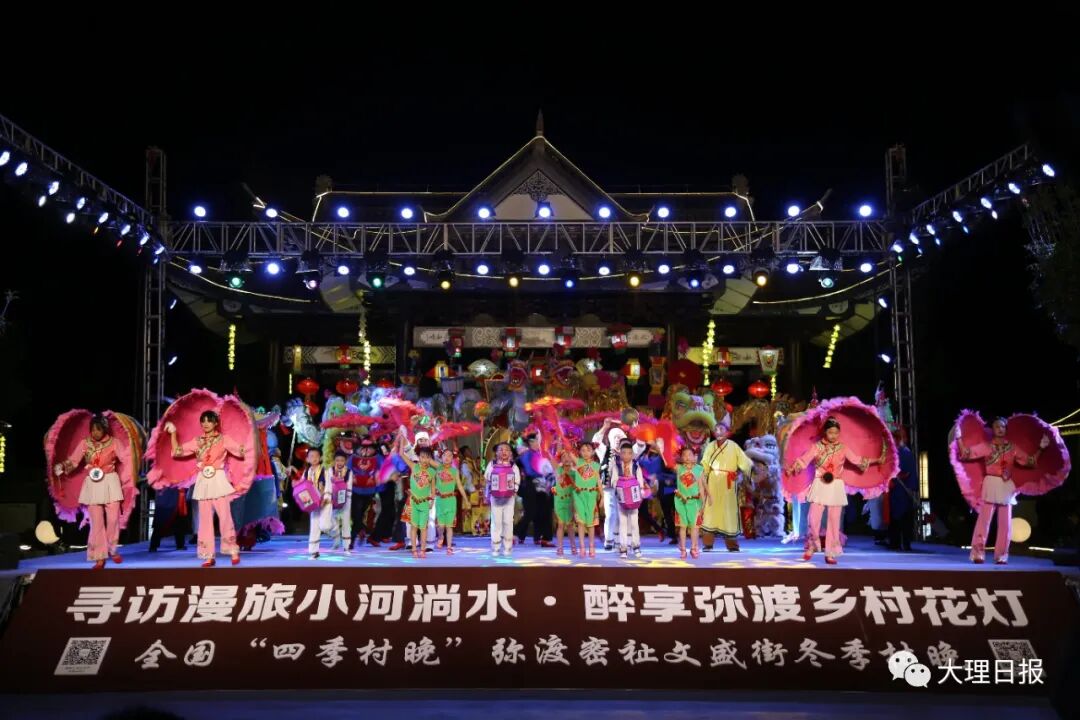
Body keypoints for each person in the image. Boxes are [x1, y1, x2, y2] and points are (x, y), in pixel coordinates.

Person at [788, 417, 884, 565]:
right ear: (825, 432)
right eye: (830, 432)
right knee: (813, 519)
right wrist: (792, 468)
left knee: (834, 522)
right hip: (820, 484)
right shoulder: (817, 447)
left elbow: (858, 460)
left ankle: (830, 552)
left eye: (836, 433)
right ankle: (813, 545)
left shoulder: (843, 448)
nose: (833, 435)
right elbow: (804, 460)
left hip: (836, 486)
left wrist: (876, 460)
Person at [956, 417, 1048, 564]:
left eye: (1003, 427)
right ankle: (978, 554)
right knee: (984, 521)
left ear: (1006, 429)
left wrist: (1041, 449)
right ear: (993, 429)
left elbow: (1030, 462)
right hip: (991, 483)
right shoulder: (987, 446)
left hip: (1006, 485)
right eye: (997, 426)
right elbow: (966, 454)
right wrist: (959, 438)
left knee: (1005, 524)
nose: (1000, 429)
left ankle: (1001, 556)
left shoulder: (1012, 448)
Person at [165, 411, 245, 567]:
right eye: (203, 421)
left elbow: (240, 452)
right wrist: (173, 433)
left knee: (225, 516)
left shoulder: (224, 439)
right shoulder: (197, 441)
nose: (206, 424)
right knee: (205, 520)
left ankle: (232, 550)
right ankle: (208, 555)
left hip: (218, 480)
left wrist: (245, 440)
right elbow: (177, 452)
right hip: (203, 481)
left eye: (209, 421)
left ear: (216, 423)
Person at [54, 415, 126, 569]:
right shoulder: (85, 443)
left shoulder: (114, 443)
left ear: (105, 429)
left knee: (113, 519)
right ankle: (99, 556)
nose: (95, 432)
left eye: (98, 429)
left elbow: (127, 459)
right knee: (96, 522)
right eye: (93, 430)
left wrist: (133, 471)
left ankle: (112, 549)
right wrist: (62, 466)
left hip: (110, 481)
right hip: (93, 484)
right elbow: (73, 461)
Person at [593, 410, 646, 550]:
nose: (617, 439)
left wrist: (636, 427)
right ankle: (609, 539)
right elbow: (595, 441)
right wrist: (605, 427)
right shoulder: (605, 451)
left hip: (625, 488)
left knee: (624, 515)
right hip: (609, 487)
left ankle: (622, 542)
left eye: (619, 437)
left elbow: (641, 445)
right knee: (611, 514)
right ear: (610, 439)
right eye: (614, 437)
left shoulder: (629, 452)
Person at [699, 420, 753, 551]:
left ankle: (732, 545)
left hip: (729, 483)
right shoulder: (710, 446)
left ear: (727, 432)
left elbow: (745, 462)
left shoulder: (733, 446)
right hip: (713, 481)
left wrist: (750, 470)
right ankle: (708, 544)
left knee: (729, 512)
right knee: (711, 511)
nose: (718, 432)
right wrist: (701, 478)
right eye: (716, 430)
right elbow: (704, 464)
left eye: (721, 429)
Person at [515, 434, 554, 547]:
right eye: (535, 441)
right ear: (530, 443)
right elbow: (529, 470)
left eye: (538, 441)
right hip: (531, 484)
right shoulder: (527, 454)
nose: (537, 443)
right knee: (530, 512)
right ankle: (516, 534)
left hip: (544, 484)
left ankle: (543, 538)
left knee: (545, 511)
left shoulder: (541, 454)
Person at [613, 441, 648, 559]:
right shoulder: (617, 466)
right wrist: (621, 484)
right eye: (623, 453)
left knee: (634, 523)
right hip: (622, 497)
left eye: (629, 453)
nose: (626, 455)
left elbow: (640, 479)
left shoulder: (636, 466)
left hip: (634, 497)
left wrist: (641, 490)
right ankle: (623, 548)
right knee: (622, 523)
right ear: (620, 454)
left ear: (632, 454)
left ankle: (636, 546)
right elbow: (613, 481)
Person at [485, 442, 521, 556]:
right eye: (501, 449)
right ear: (496, 452)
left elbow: (517, 481)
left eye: (506, 449)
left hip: (509, 498)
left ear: (510, 453)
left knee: (508, 522)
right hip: (495, 498)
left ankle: (508, 547)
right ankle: (496, 546)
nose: (503, 452)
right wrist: (487, 494)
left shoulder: (513, 466)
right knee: (496, 522)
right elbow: (487, 480)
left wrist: (513, 490)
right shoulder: (492, 464)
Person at [673, 445, 709, 559]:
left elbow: (701, 488)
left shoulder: (699, 469)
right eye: (684, 455)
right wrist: (660, 448)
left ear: (695, 457)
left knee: (694, 527)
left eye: (690, 455)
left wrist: (703, 503)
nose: (687, 457)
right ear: (681, 457)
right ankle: (683, 549)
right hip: (681, 501)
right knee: (683, 527)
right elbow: (667, 461)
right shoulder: (679, 468)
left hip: (695, 502)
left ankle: (694, 548)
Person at [434, 449, 470, 554]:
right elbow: (428, 460)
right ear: (441, 457)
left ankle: (449, 547)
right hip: (440, 500)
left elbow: (460, 486)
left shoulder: (455, 471)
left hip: (451, 501)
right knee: (441, 526)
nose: (447, 457)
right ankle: (440, 536)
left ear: (452, 459)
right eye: (445, 455)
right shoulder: (438, 468)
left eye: (449, 455)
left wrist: (466, 500)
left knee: (449, 525)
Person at [888, 431, 919, 551]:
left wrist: (897, 476)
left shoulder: (905, 452)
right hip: (895, 489)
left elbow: (908, 472)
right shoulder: (892, 452)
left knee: (905, 516)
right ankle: (895, 542)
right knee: (894, 516)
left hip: (904, 489)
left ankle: (906, 543)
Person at [298, 447, 332, 559]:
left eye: (316, 456)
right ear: (307, 459)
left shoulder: (325, 471)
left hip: (325, 502)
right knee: (314, 527)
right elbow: (302, 486)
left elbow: (329, 485)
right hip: (313, 503)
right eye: (311, 456)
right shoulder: (306, 472)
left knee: (324, 526)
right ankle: (314, 551)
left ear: (320, 458)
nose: (314, 458)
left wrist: (326, 497)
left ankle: (335, 527)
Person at [348, 439, 381, 549]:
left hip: (369, 491)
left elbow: (382, 470)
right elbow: (347, 470)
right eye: (363, 448)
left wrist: (377, 478)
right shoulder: (353, 458)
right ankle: (356, 535)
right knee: (356, 515)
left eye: (369, 448)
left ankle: (353, 538)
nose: (366, 451)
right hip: (355, 490)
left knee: (359, 515)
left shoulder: (377, 458)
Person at [408, 445, 439, 559]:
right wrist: (401, 441)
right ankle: (414, 549)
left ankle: (422, 550)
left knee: (424, 527)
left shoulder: (432, 472)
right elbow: (401, 454)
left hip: (425, 503)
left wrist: (432, 501)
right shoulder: (414, 466)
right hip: (413, 502)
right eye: (422, 457)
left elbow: (433, 488)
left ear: (430, 458)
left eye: (427, 457)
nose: (424, 460)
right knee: (413, 527)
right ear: (419, 457)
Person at [636, 441, 671, 542]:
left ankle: (660, 530)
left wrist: (650, 479)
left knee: (642, 512)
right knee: (641, 512)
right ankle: (659, 530)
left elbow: (663, 467)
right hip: (636, 484)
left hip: (646, 487)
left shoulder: (658, 458)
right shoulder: (640, 456)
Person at [572, 441, 602, 558]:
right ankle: (582, 547)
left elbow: (598, 482)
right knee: (581, 523)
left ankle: (591, 546)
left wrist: (602, 497)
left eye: (588, 450)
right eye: (583, 450)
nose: (585, 453)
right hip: (579, 495)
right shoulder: (578, 462)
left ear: (593, 452)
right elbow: (568, 450)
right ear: (579, 452)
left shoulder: (595, 465)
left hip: (591, 496)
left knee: (590, 524)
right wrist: (562, 438)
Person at [554, 450, 580, 555]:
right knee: (560, 524)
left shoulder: (575, 472)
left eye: (568, 456)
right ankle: (559, 547)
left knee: (570, 525)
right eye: (563, 457)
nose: (566, 459)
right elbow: (551, 459)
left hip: (570, 501)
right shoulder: (558, 469)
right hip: (560, 501)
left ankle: (573, 546)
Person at [327, 451, 353, 554]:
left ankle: (346, 546)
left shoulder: (349, 472)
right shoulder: (330, 470)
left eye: (342, 460)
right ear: (334, 461)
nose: (339, 462)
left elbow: (349, 486)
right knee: (332, 521)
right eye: (337, 460)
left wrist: (345, 498)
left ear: (345, 461)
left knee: (346, 522)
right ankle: (336, 540)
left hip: (345, 499)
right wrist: (329, 496)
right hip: (332, 498)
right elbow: (328, 485)